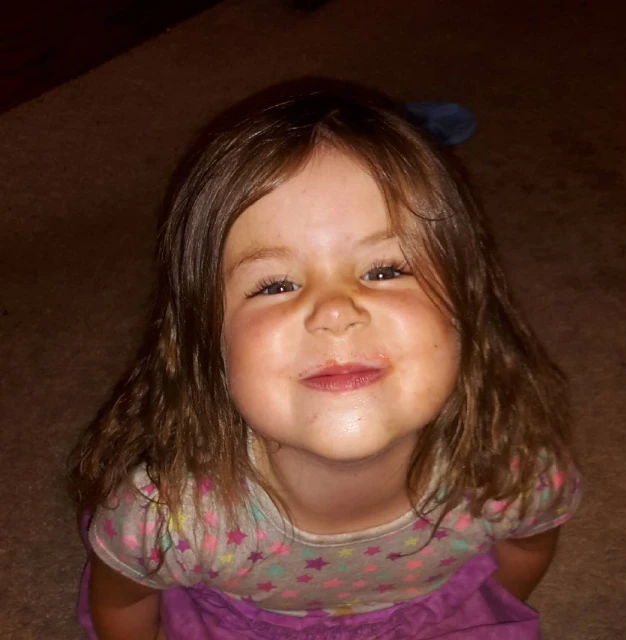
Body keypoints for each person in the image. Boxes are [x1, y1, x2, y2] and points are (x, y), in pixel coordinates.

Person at [69, 86, 582, 640]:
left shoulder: (510, 470)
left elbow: (527, 548)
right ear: (206, 347)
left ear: (468, 314)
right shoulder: (167, 520)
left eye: (385, 270)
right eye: (276, 284)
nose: (335, 311)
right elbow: (122, 607)